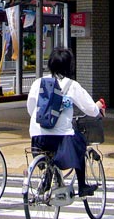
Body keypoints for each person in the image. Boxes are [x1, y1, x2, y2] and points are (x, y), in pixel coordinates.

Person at [27, 47, 105, 198]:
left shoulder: (38, 83)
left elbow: (31, 109)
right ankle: (82, 186)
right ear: (70, 66)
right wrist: (99, 106)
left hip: (37, 137)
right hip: (62, 139)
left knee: (50, 155)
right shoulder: (72, 85)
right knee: (80, 142)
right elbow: (91, 110)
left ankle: (46, 182)